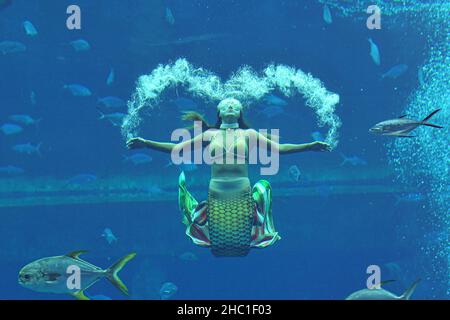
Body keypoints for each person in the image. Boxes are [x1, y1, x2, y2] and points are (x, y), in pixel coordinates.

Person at [127, 98, 331, 257]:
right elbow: (178, 149)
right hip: (217, 189)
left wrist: (309, 146)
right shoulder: (210, 135)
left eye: (235, 105)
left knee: (241, 228)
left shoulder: (249, 134)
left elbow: (279, 148)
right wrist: (146, 143)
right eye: (226, 105)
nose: (231, 106)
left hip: (241, 188)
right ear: (219, 113)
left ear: (240, 112)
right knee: (219, 230)